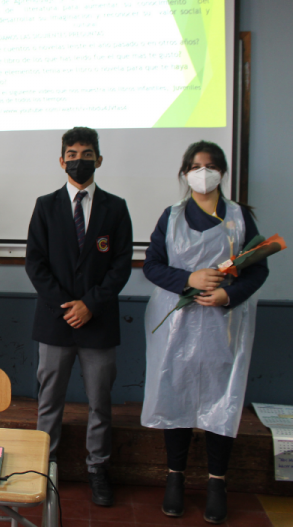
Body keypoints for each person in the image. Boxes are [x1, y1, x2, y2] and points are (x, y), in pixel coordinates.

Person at [142, 141, 269, 524]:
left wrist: (229, 294)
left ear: (222, 172)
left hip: (223, 326)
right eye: (196, 166)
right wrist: (188, 279)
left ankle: (217, 482)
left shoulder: (240, 218)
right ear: (185, 173)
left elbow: (258, 269)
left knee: (221, 400)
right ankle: (174, 478)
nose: (203, 172)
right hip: (176, 327)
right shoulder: (172, 216)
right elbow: (152, 265)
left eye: (211, 165)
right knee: (176, 397)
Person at [25, 127, 133, 507]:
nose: (79, 160)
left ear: (99, 160)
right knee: (49, 399)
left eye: (87, 154)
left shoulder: (115, 207)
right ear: (61, 161)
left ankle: (97, 469)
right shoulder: (45, 205)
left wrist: (90, 304)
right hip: (55, 322)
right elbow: (35, 264)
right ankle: (45, 466)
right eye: (72, 153)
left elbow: (121, 266)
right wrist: (68, 306)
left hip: (98, 322)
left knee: (99, 402)